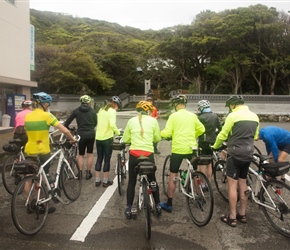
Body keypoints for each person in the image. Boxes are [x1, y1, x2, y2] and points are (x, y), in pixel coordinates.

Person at [24, 92, 76, 213]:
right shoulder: (47, 116)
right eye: (48, 103)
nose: (48, 106)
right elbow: (63, 129)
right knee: (42, 177)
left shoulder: (28, 116)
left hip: (30, 150)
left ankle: (29, 202)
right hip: (42, 151)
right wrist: (72, 139)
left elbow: (27, 133)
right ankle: (41, 205)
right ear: (44, 104)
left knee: (28, 178)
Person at [212, 95, 259, 227]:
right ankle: (242, 214)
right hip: (248, 153)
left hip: (235, 153)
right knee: (243, 183)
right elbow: (255, 136)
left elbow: (223, 134)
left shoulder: (232, 116)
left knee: (232, 185)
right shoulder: (254, 116)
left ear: (232, 105)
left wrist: (215, 146)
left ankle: (232, 217)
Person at [160, 94, 205, 212]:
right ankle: (200, 196)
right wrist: (192, 136)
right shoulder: (193, 115)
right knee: (194, 172)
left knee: (173, 175)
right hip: (191, 148)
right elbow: (202, 129)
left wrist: (161, 134)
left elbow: (167, 132)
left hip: (178, 149)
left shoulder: (173, 116)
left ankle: (169, 203)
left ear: (175, 105)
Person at [122, 100, 162, 219]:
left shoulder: (131, 121)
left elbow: (126, 139)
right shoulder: (153, 121)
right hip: (148, 154)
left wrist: (129, 141)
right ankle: (158, 205)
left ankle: (129, 207)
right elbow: (157, 138)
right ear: (148, 111)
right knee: (153, 180)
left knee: (132, 182)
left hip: (134, 154)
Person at [64, 95, 97, 180]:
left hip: (81, 134)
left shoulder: (76, 111)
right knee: (89, 154)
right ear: (89, 102)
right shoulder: (93, 111)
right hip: (90, 134)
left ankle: (80, 172)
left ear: (81, 102)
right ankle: (88, 173)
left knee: (81, 154)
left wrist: (70, 129)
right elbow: (95, 123)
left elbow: (67, 123)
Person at [94, 96, 121, 187]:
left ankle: (97, 180)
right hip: (107, 139)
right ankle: (105, 181)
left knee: (99, 158)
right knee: (107, 160)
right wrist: (118, 133)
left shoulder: (101, 110)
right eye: (118, 106)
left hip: (98, 138)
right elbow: (112, 124)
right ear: (115, 104)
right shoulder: (112, 111)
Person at [197, 100, 221, 182]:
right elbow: (220, 128)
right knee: (209, 162)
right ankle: (209, 180)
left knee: (201, 163)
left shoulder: (200, 117)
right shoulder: (215, 116)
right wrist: (215, 134)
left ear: (202, 108)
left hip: (203, 141)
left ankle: (203, 182)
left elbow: (197, 129)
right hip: (213, 140)